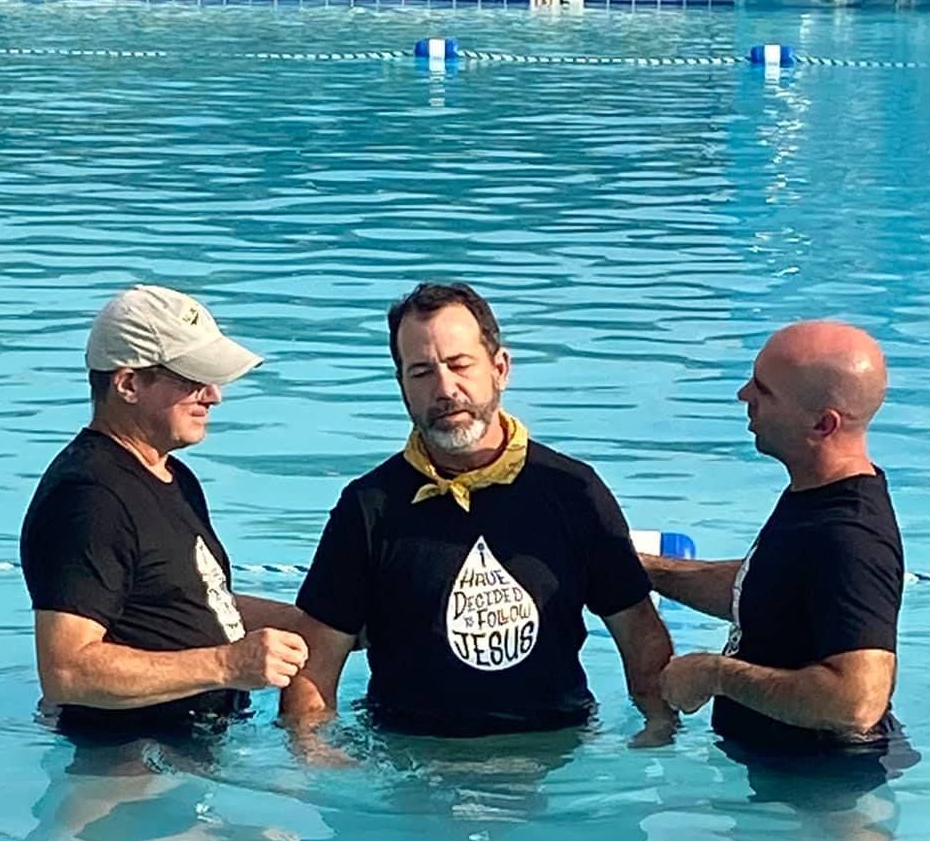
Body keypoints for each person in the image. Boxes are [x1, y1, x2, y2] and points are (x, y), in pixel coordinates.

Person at [279, 282, 674, 740]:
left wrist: (658, 730)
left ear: (500, 368)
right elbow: (316, 660)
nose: (445, 389)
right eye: (421, 372)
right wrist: (312, 750)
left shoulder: (574, 492)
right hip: (410, 754)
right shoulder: (369, 506)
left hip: (555, 749)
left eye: (459, 364)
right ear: (402, 386)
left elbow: (637, 631)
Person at [22, 283, 308, 740]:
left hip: (196, 738)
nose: (214, 396)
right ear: (128, 383)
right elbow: (67, 671)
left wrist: (313, 624)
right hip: (126, 757)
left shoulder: (170, 475)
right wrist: (228, 664)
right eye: (192, 378)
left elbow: (188, 603)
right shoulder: (88, 497)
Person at [640, 320, 906, 785]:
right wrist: (647, 570)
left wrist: (715, 674)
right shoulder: (817, 497)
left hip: (822, 793)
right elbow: (767, 591)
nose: (744, 395)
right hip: (783, 776)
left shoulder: (851, 537)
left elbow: (856, 702)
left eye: (764, 390)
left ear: (823, 424)